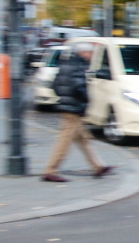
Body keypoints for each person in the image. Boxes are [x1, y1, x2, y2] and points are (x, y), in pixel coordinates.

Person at [42, 40, 113, 183]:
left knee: (84, 139)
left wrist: (63, 97)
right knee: (65, 140)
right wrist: (86, 100)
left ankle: (98, 166)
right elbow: (79, 87)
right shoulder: (78, 65)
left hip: (68, 106)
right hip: (73, 109)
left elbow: (55, 85)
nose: (92, 55)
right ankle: (51, 170)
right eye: (91, 52)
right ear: (84, 52)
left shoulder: (67, 64)